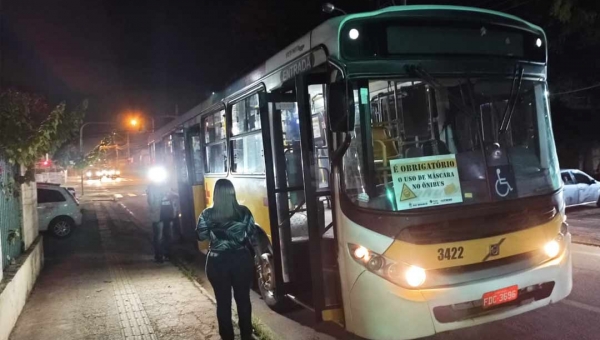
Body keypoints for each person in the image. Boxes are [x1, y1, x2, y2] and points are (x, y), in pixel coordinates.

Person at [196, 179, 256, 340]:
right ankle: (246, 335)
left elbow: (201, 236)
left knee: (223, 303)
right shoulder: (244, 212)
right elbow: (252, 235)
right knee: (243, 300)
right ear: (232, 193)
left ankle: (227, 337)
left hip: (217, 262)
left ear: (215, 194)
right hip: (241, 260)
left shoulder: (207, 214)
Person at [146, 166, 171, 263]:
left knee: (168, 234)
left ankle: (168, 253)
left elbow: (172, 196)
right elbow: (151, 201)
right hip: (158, 214)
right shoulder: (152, 187)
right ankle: (159, 255)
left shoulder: (166, 185)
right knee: (158, 236)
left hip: (167, 212)